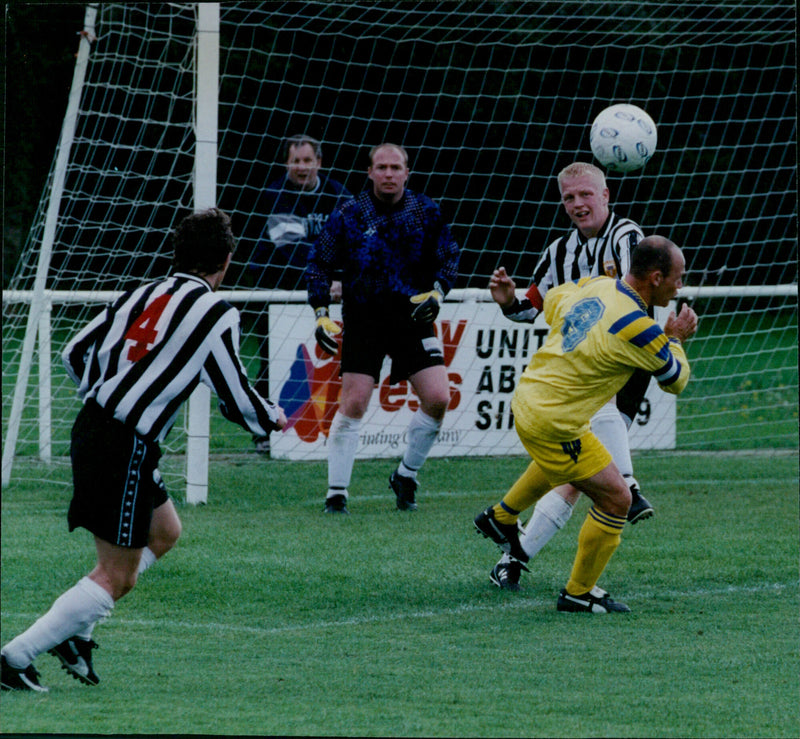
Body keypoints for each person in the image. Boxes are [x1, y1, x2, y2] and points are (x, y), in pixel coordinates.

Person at [0, 208, 287, 692]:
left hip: (98, 429)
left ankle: (75, 633)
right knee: (118, 576)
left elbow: (73, 353)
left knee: (166, 531)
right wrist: (271, 417)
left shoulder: (140, 293)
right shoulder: (215, 311)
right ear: (226, 261)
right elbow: (237, 397)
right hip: (123, 443)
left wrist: (107, 395)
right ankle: (15, 656)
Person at [474, 236, 697, 613]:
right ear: (657, 278)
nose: (681, 285)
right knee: (617, 499)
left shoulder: (593, 285)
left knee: (571, 464)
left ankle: (500, 517)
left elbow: (552, 305)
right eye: (679, 277)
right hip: (554, 421)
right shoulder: (637, 326)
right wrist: (675, 338)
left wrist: (515, 302)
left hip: (531, 399)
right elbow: (675, 380)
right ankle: (579, 592)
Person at [487, 161, 656, 591]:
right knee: (572, 478)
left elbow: (636, 293)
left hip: (623, 359)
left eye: (585, 195)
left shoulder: (627, 236)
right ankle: (514, 556)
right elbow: (531, 306)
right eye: (569, 198)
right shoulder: (558, 252)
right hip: (578, 370)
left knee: (581, 472)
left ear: (606, 195)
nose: (578, 204)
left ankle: (627, 485)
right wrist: (509, 301)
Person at [306, 143, 460, 514]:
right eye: (382, 167)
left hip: (411, 317)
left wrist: (438, 292)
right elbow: (319, 263)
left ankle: (406, 474)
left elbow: (449, 257)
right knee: (355, 403)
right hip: (364, 318)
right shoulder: (349, 214)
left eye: (395, 167)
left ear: (407, 173)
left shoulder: (426, 211)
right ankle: (336, 494)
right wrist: (321, 311)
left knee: (439, 397)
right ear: (370, 172)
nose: (389, 174)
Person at [247, 134, 351, 453]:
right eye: (296, 161)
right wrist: (327, 281)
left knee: (335, 356)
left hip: (324, 289)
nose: (302, 167)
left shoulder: (339, 194)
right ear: (286, 162)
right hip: (277, 287)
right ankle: (264, 431)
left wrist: (344, 280)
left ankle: (335, 426)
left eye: (308, 161)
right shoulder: (275, 193)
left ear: (319, 162)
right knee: (274, 359)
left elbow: (354, 244)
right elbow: (289, 250)